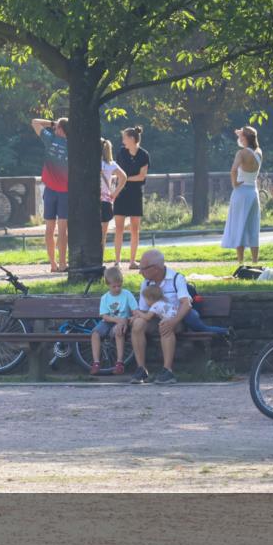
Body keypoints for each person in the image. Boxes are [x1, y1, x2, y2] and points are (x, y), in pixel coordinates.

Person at [129, 249, 191, 385]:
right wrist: (135, 317)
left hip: (175, 318)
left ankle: (167, 371)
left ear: (155, 268)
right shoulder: (145, 283)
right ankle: (141, 369)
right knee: (138, 324)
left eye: (143, 269)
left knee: (165, 325)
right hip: (152, 318)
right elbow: (143, 309)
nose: (140, 272)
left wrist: (174, 321)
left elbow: (186, 304)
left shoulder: (176, 278)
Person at [31, 116, 70, 272]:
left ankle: (53, 264)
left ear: (60, 129)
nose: (53, 129)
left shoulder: (50, 140)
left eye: (55, 128)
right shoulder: (73, 146)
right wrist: (60, 124)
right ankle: (62, 264)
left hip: (50, 191)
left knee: (49, 229)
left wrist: (52, 123)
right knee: (62, 230)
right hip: (65, 192)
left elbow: (34, 122)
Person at [221, 126, 263, 264]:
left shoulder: (242, 153)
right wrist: (242, 132)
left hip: (241, 191)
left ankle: (240, 261)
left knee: (239, 225)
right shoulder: (258, 152)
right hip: (253, 191)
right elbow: (248, 138)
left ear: (245, 138)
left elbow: (233, 170)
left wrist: (234, 184)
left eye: (241, 136)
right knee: (252, 226)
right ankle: (255, 261)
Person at [113, 126, 149, 270]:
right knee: (119, 228)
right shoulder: (121, 153)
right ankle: (117, 261)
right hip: (121, 192)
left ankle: (132, 261)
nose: (123, 141)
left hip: (135, 193)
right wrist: (120, 182)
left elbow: (142, 176)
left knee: (135, 228)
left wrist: (125, 179)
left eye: (125, 138)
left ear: (132, 139)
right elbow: (116, 172)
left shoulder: (144, 155)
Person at [90, 266, 136, 375]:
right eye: (114, 286)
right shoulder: (105, 298)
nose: (117, 288)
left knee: (118, 332)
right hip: (108, 321)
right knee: (95, 334)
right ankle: (96, 362)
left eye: (119, 286)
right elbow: (104, 316)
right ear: (108, 285)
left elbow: (135, 311)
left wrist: (125, 320)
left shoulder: (127, 294)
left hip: (122, 323)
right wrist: (116, 320)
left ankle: (119, 363)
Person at [100, 139, 127, 259]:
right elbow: (124, 177)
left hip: (92, 201)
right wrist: (115, 193)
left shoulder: (92, 163)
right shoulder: (111, 164)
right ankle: (100, 258)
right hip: (106, 201)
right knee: (102, 234)